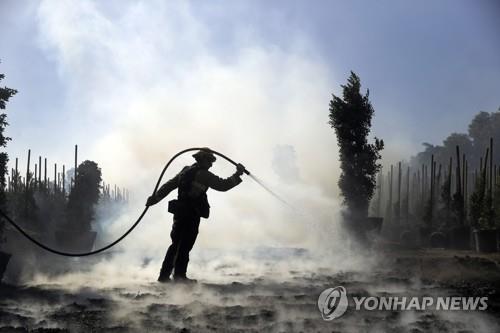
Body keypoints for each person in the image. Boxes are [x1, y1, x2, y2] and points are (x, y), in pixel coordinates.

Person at [146, 149, 245, 283]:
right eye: (210, 161)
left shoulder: (185, 171)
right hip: (191, 214)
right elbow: (223, 185)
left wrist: (155, 198)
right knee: (185, 245)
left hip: (179, 213)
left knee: (175, 244)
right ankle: (179, 277)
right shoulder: (204, 175)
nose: (211, 164)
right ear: (203, 160)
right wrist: (238, 174)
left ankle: (164, 276)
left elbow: (169, 185)